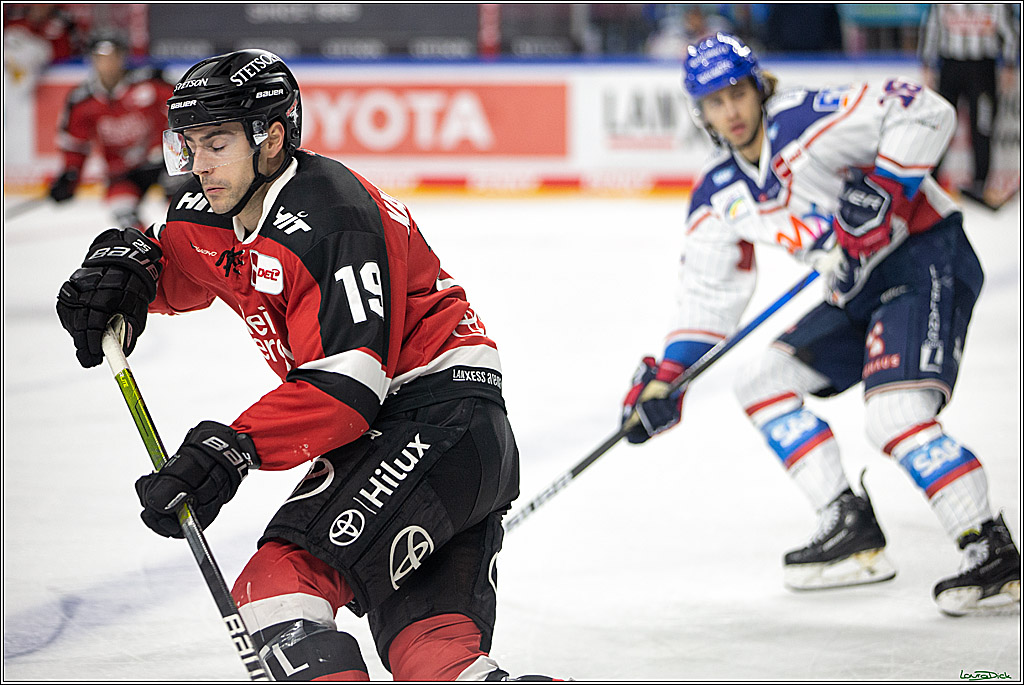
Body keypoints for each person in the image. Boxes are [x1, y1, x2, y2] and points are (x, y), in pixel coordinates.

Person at [55, 49, 557, 681]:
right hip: (452, 441)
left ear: (271, 137)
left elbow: (349, 384)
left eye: (217, 143)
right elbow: (180, 264)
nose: (198, 164)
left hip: (430, 421)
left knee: (277, 587)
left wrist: (232, 448)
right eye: (190, 144)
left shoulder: (330, 216)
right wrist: (124, 272)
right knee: (433, 657)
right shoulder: (218, 207)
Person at [621, 33, 1020, 616]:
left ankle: (991, 549)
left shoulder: (808, 121)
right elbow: (710, 292)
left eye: (737, 93)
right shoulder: (720, 193)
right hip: (858, 289)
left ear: (757, 87)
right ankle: (849, 525)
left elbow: (924, 109)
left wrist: (887, 187)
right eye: (713, 102)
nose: (729, 111)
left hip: (925, 257)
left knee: (894, 417)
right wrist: (669, 376)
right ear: (699, 111)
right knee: (761, 380)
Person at [50, 28, 182, 230]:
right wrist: (70, 176)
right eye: (101, 57)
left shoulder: (150, 82)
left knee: (183, 206)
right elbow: (75, 145)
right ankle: (149, 253)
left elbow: (183, 108)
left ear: (123, 56)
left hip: (165, 162)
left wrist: (178, 148)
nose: (108, 63)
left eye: (113, 56)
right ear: (92, 59)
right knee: (123, 214)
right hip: (122, 171)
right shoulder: (82, 100)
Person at [919, 4, 1021, 209]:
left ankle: (980, 186)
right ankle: (931, 185)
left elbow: (1011, 31)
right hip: (950, 66)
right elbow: (932, 27)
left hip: (982, 67)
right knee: (941, 126)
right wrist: (927, 64)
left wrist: (1010, 63)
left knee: (982, 126)